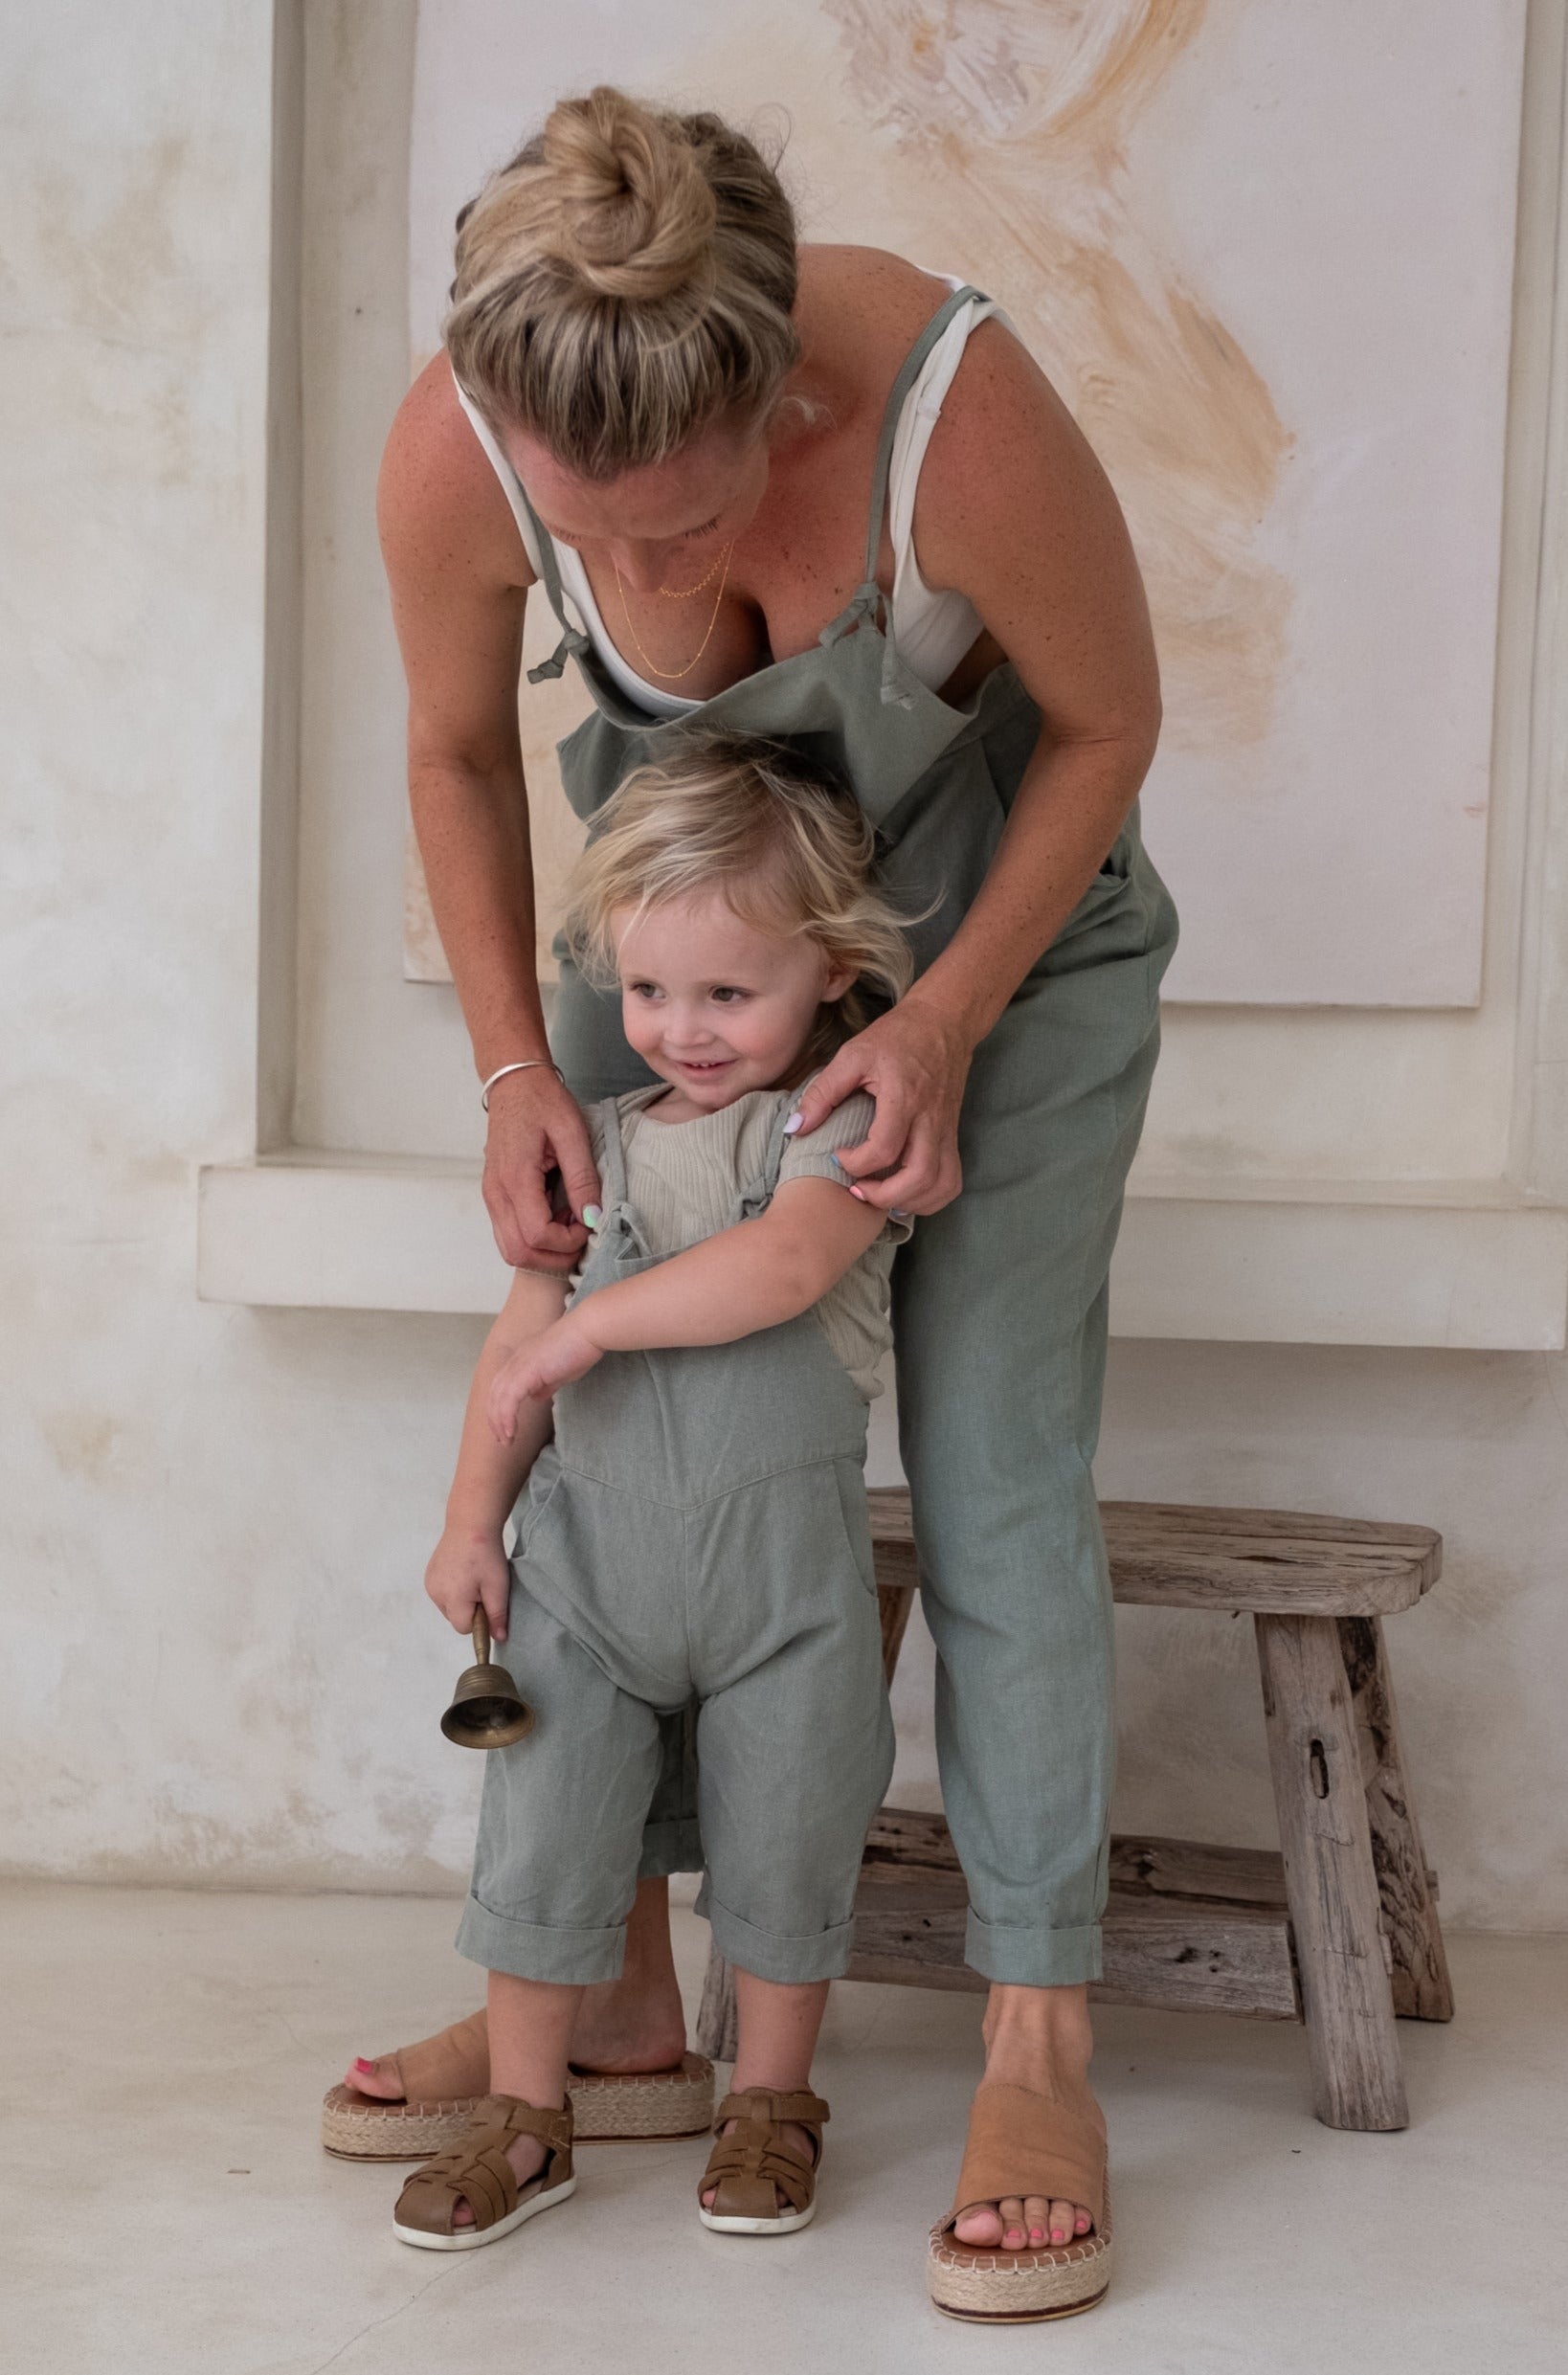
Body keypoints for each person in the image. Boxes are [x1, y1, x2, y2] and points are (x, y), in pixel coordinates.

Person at [337, 84, 1177, 2319]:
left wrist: (944, 1021)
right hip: (694, 937)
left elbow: (1107, 725)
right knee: (611, 1437)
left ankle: (1037, 2041)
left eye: (691, 520)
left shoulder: (946, 409)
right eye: (586, 534)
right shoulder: (457, 443)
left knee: (991, 1469)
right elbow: (450, 747)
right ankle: (608, 1993)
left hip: (1007, 941)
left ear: (776, 388)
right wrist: (517, 1062)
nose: (638, 576)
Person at [390, 738, 910, 2251]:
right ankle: (528, 2112)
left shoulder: (833, 1134)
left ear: (827, 970)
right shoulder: (594, 1150)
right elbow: (514, 1360)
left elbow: (781, 1268)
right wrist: (468, 1520)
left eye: (728, 992)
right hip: (585, 1589)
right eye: (647, 990)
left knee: (789, 1833)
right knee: (543, 1831)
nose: (682, 1028)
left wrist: (592, 1326)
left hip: (781, 1598)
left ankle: (770, 2101)